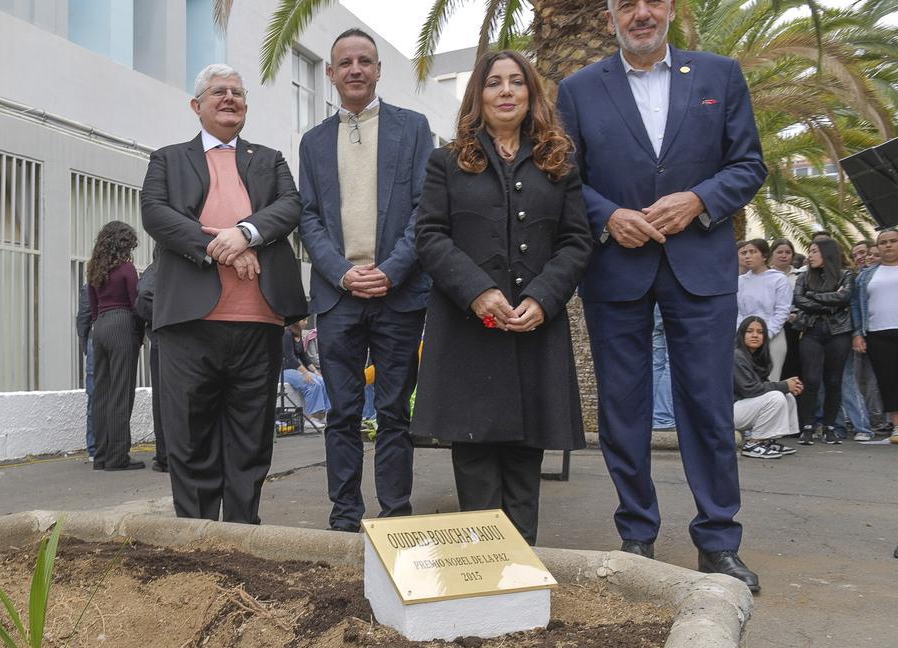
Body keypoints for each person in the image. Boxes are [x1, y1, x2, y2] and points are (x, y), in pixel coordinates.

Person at [557, 0, 767, 590]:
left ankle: (719, 542)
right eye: (627, 4)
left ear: (671, 10)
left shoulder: (718, 75)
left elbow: (749, 164)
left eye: (652, 1)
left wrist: (698, 200)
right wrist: (607, 215)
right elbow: (565, 177)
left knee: (707, 405)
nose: (641, 13)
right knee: (624, 410)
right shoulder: (577, 89)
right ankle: (637, 535)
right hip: (616, 269)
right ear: (610, 18)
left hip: (700, 267)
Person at [413, 50, 591, 545]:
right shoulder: (446, 162)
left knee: (524, 453)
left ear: (532, 94)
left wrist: (544, 297)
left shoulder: (558, 163)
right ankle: (482, 572)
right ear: (478, 95)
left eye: (517, 82)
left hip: (534, 328)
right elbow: (429, 235)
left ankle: (520, 569)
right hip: (469, 331)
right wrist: (478, 292)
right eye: (494, 83)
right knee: (473, 455)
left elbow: (577, 241)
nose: (506, 91)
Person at [141, 63, 307, 524]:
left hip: (259, 320)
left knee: (251, 438)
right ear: (197, 106)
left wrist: (246, 234)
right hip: (189, 323)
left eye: (237, 92)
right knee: (190, 437)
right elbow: (155, 213)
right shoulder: (168, 159)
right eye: (218, 92)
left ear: (246, 106)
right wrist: (223, 249)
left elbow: (291, 206)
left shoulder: (270, 158)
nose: (229, 98)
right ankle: (195, 538)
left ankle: (242, 537)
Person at [297, 29, 433, 533]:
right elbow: (308, 217)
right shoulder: (312, 142)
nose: (355, 69)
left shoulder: (413, 128)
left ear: (378, 70)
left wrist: (391, 270)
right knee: (343, 412)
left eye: (365, 61)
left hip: (398, 295)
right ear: (330, 74)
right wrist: (341, 272)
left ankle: (396, 515)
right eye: (344, 62)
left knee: (396, 411)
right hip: (338, 298)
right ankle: (345, 518)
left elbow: (426, 209)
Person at [86, 221, 145, 471]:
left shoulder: (93, 269)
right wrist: (139, 335)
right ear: (124, 244)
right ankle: (118, 456)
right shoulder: (127, 269)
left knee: (101, 392)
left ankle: (100, 456)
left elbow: (92, 307)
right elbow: (137, 305)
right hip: (122, 324)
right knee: (122, 392)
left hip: (99, 328)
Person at [792, 238, 855, 445]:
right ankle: (807, 427)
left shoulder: (846, 274)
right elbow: (799, 300)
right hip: (811, 331)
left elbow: (844, 298)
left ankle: (829, 427)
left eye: (814, 251)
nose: (810, 255)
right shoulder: (803, 277)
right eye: (809, 251)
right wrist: (827, 300)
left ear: (828, 254)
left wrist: (814, 297)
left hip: (839, 332)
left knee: (834, 381)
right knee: (811, 380)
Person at [852, 227, 898, 444]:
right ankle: (897, 427)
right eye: (883, 242)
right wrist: (857, 334)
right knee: (888, 382)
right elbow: (856, 306)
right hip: (878, 334)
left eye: (893, 241)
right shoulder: (866, 276)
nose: (888, 245)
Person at [733, 316, 802, 459]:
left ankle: (767, 441)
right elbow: (749, 389)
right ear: (742, 334)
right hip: (728, 412)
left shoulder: (756, 356)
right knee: (776, 396)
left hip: (743, 408)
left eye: (760, 332)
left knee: (786, 396)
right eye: (750, 331)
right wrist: (784, 385)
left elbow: (763, 386)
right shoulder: (736, 355)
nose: (755, 335)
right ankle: (752, 443)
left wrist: (787, 387)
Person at [737, 239, 791, 380]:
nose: (748, 256)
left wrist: (766, 334)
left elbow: (782, 311)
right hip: (745, 338)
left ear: (764, 256)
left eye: (753, 252)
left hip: (773, 337)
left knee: (771, 381)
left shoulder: (779, 279)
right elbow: (738, 312)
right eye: (745, 252)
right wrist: (742, 333)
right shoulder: (741, 281)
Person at [133, 260, 169, 473]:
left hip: (163, 337)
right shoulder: (161, 267)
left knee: (164, 398)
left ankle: (167, 455)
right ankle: (167, 456)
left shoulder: (157, 269)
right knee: (167, 399)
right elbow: (145, 294)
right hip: (167, 339)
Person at [281, 319, 330, 426]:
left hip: (296, 369)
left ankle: (322, 415)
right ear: (296, 322)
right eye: (304, 320)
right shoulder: (287, 334)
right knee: (312, 384)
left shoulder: (298, 335)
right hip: (285, 370)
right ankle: (309, 418)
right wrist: (304, 372)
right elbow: (290, 357)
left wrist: (315, 371)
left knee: (322, 381)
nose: (306, 322)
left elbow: (304, 356)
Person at [770, 238, 803, 380]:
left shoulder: (801, 276)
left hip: (795, 327)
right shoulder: (765, 275)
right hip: (771, 325)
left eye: (788, 252)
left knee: (793, 365)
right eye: (779, 252)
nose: (784, 255)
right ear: (772, 254)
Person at [76, 279, 97, 461]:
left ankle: (94, 447)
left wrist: (85, 345)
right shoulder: (123, 277)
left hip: (95, 339)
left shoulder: (90, 285)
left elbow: (83, 319)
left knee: (94, 395)